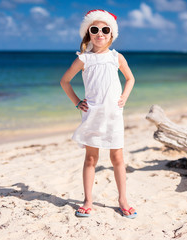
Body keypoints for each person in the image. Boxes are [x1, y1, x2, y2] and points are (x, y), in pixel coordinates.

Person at [60, 9, 136, 218]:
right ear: (88, 33)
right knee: (91, 159)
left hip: (113, 115)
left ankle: (123, 199)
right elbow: (64, 81)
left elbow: (130, 79)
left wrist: (125, 97)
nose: (100, 33)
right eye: (95, 29)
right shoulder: (84, 59)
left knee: (118, 158)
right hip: (92, 115)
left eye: (105, 29)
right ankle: (88, 200)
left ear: (111, 34)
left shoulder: (116, 57)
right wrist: (77, 102)